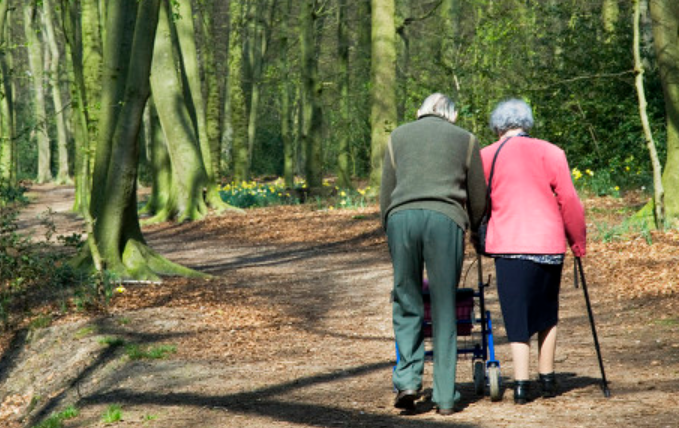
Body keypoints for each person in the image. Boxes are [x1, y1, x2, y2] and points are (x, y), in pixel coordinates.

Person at [380, 93, 487, 415]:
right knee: (443, 306)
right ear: (450, 114)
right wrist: (473, 226)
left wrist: (391, 224)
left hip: (401, 218)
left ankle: (409, 381)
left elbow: (386, 192)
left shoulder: (397, 136)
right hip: (445, 219)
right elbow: (478, 195)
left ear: (421, 111)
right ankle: (443, 396)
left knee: (406, 298)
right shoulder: (466, 140)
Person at [479, 98, 586, 404]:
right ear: (527, 123)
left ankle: (522, 383)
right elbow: (569, 200)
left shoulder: (487, 155)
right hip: (548, 243)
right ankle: (548, 378)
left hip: (509, 244)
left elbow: (478, 202)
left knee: (516, 312)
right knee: (546, 309)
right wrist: (578, 242)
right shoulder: (552, 152)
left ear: (498, 127)